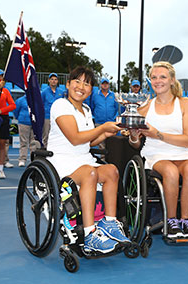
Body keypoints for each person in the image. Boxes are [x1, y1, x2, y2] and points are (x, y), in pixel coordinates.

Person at [47, 66, 130, 253]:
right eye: (77, 81)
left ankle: (109, 223)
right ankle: (90, 233)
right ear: (68, 84)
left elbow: (88, 141)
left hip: (84, 159)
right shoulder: (60, 105)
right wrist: (102, 128)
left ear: (91, 89)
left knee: (111, 171)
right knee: (90, 174)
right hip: (62, 162)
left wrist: (109, 132)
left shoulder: (85, 109)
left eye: (87, 83)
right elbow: (75, 138)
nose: (81, 86)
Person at [128, 61, 188, 239]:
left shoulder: (186, 104)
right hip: (156, 155)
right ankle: (171, 220)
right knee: (170, 171)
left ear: (172, 80)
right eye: (153, 77)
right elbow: (135, 145)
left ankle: (186, 220)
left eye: (162, 77)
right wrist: (134, 136)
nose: (157, 81)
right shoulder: (144, 108)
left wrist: (157, 133)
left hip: (183, 153)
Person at [14, 95, 38, 167]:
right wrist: (20, 118)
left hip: (34, 123)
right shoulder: (20, 100)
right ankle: (22, 159)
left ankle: (33, 159)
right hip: (23, 123)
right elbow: (16, 111)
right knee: (23, 142)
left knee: (33, 142)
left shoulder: (37, 100)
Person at [41, 72, 64, 148]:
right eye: (52, 79)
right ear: (49, 80)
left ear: (57, 81)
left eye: (55, 79)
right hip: (47, 117)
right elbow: (41, 104)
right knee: (46, 135)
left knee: (58, 134)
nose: (54, 81)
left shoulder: (61, 92)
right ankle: (45, 152)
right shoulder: (44, 92)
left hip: (58, 117)